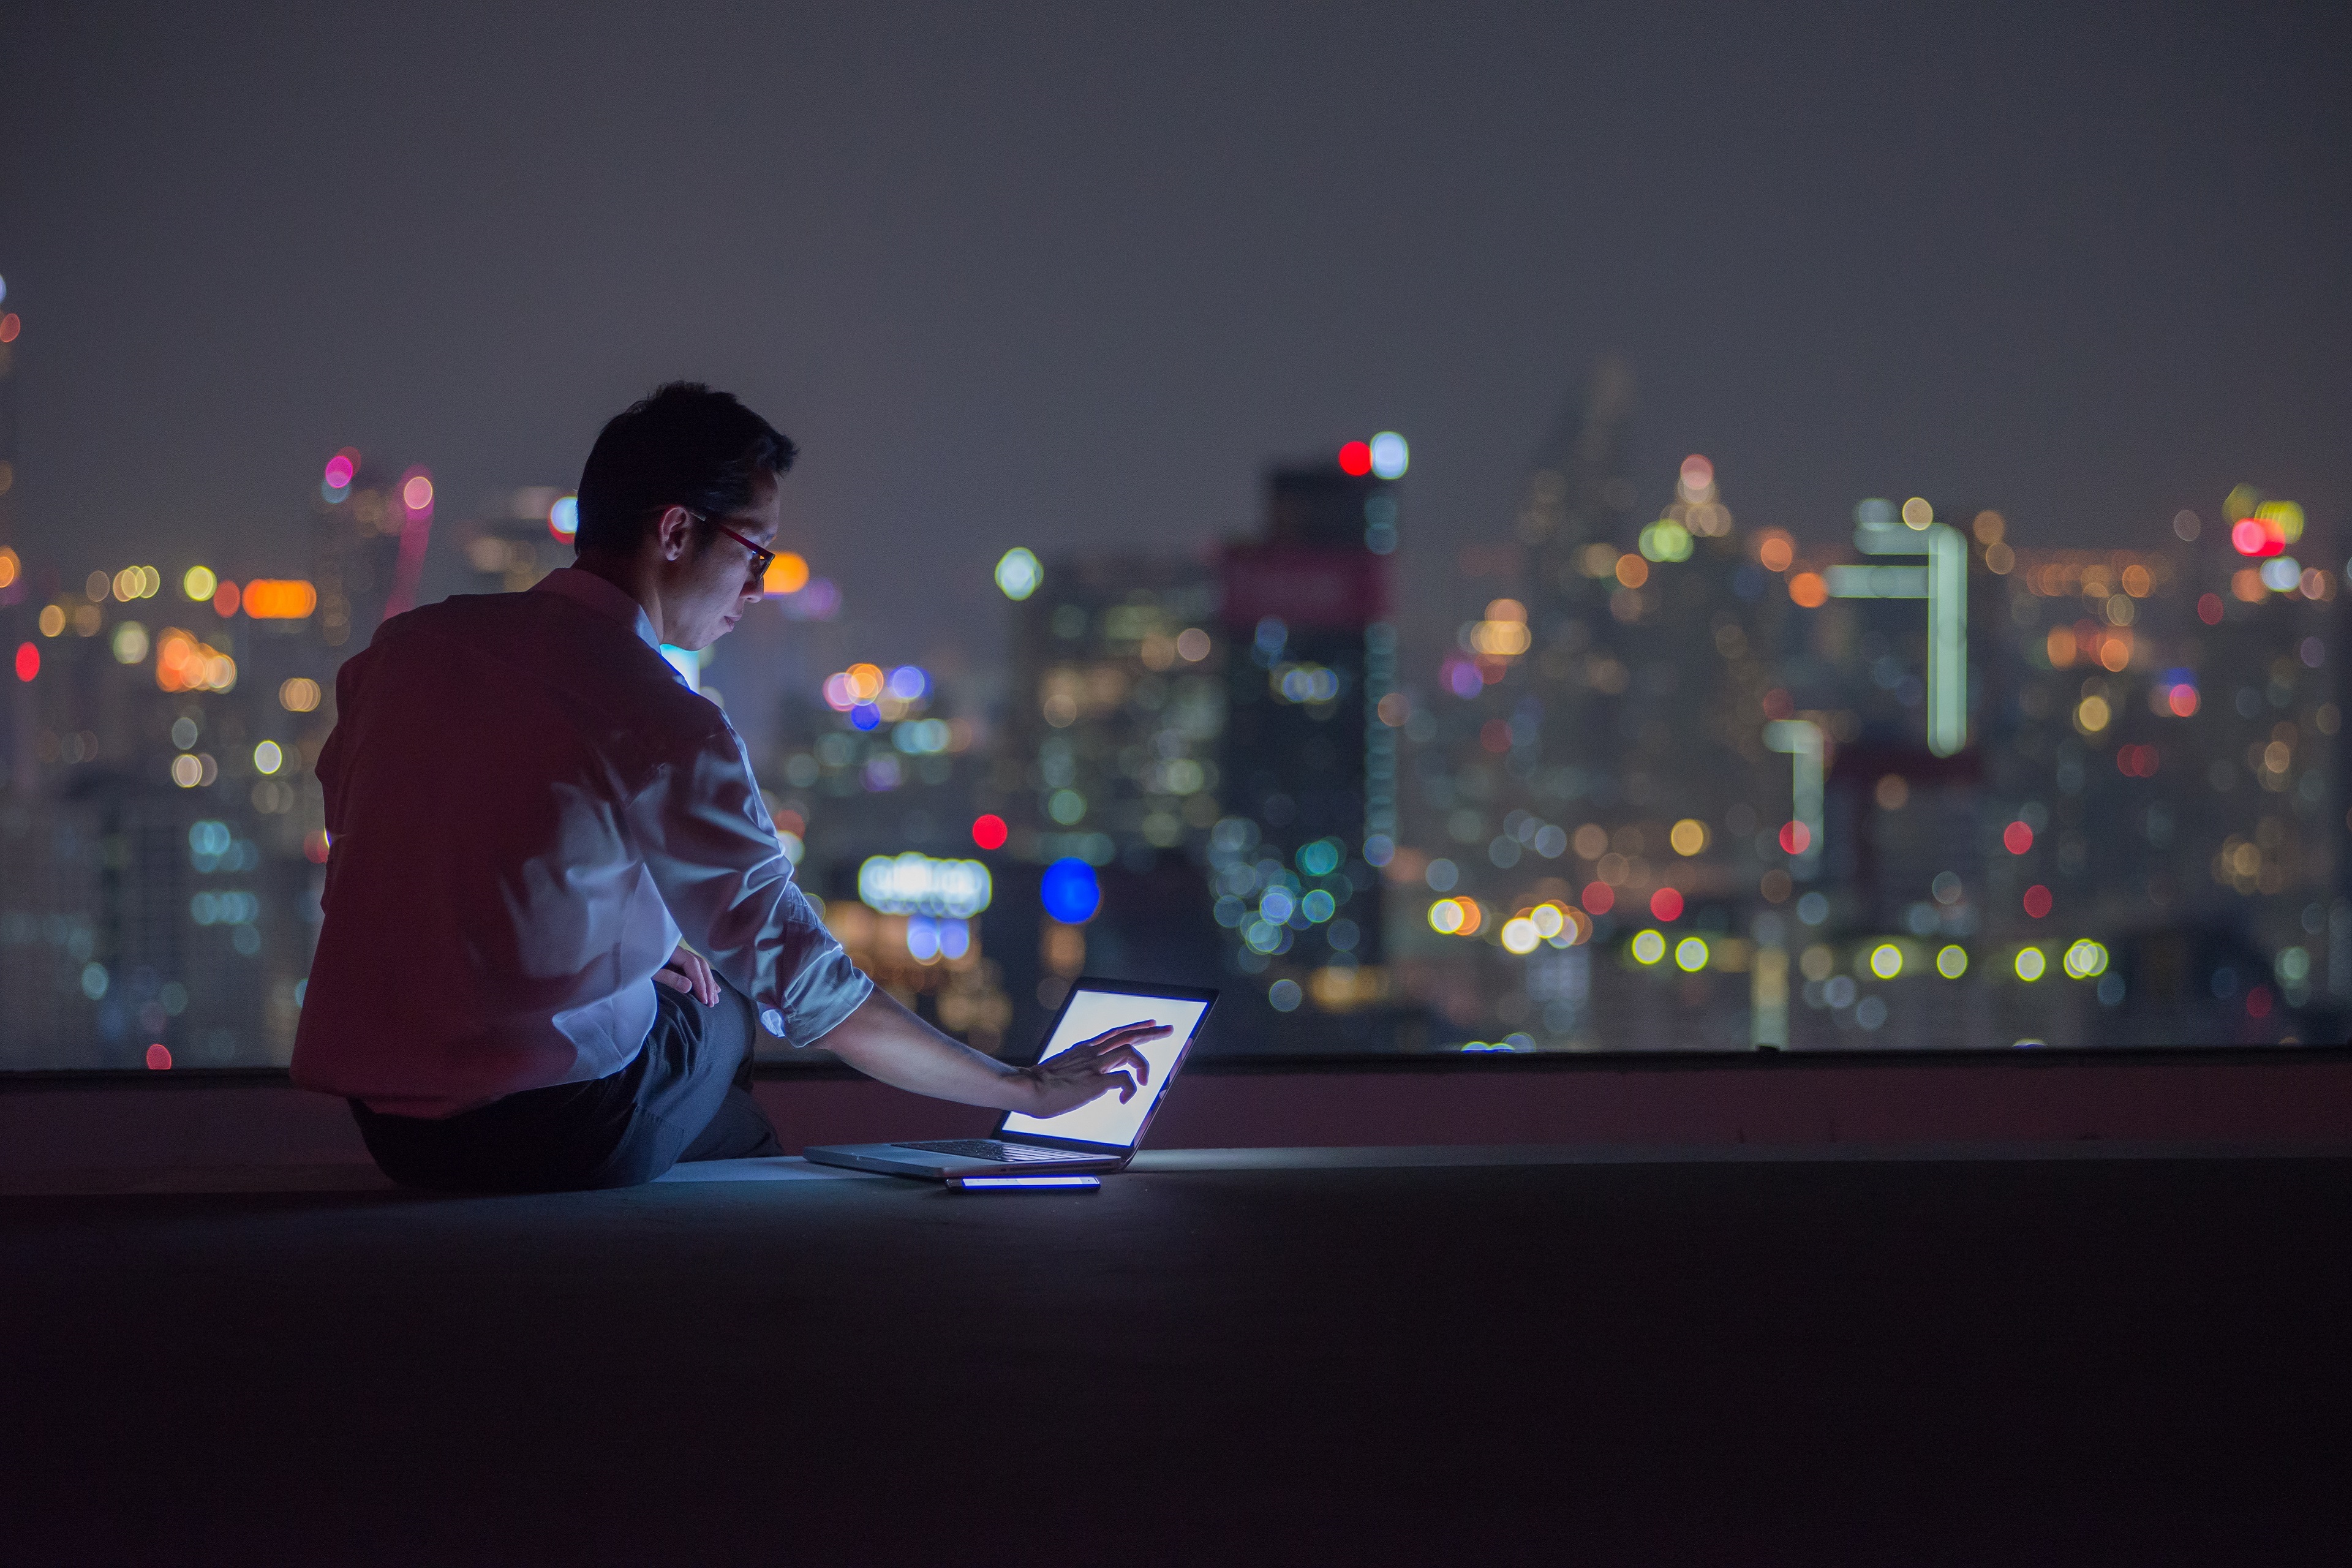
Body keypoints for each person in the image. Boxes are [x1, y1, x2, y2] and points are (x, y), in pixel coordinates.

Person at [292, 382, 1163, 1191]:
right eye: (755, 552)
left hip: (393, 1127)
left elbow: (407, 855)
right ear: (675, 532)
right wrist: (1026, 1088)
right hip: (550, 1123)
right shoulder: (661, 718)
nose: (758, 586)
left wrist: (632, 945)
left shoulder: (400, 656)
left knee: (686, 991)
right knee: (728, 1012)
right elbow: (808, 986)